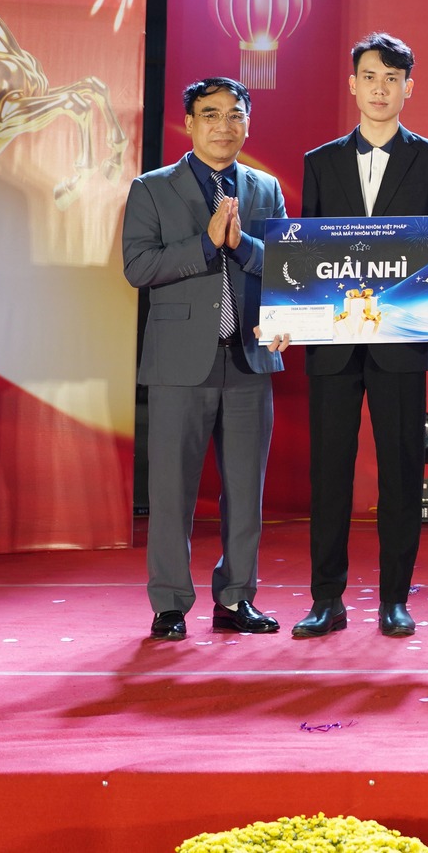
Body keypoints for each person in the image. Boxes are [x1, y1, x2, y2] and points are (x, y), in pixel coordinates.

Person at [284, 33, 428, 640]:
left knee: (402, 472)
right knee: (329, 474)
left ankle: (395, 600)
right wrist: (289, 317)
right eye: (370, 77)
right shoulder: (321, 162)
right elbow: (306, 254)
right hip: (333, 346)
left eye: (392, 78)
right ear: (353, 85)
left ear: (409, 87)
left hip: (402, 344)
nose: (380, 88)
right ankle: (326, 600)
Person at [121, 77, 285, 641]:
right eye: (210, 115)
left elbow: (286, 266)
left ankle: (236, 598)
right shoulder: (151, 188)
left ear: (248, 124)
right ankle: (170, 604)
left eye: (235, 115)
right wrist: (206, 245)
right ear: (189, 123)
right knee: (171, 492)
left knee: (245, 491)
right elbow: (138, 268)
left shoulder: (265, 188)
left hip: (248, 360)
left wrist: (240, 244)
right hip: (179, 364)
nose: (223, 126)